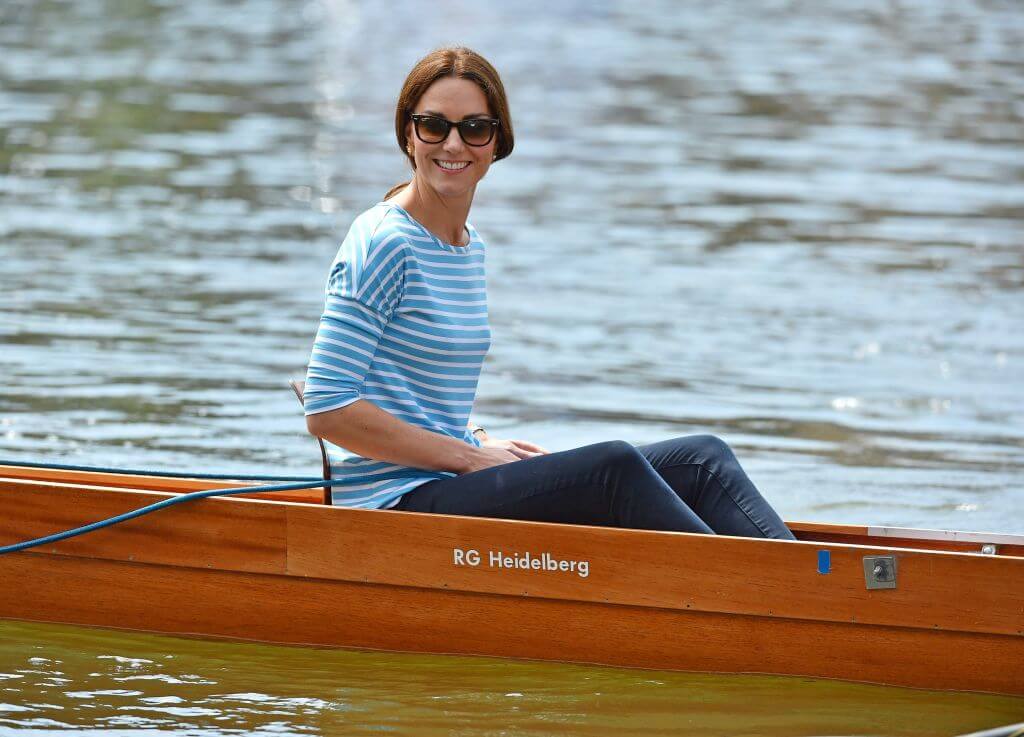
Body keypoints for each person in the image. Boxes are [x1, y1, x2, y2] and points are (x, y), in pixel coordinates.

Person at [304, 46, 795, 540]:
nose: (453, 144)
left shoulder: (467, 246)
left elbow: (416, 393)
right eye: (434, 125)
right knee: (613, 467)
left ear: (497, 141)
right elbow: (327, 406)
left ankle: (806, 577)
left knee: (703, 459)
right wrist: (469, 458)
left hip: (446, 477)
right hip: (392, 506)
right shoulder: (383, 242)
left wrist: (478, 440)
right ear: (408, 134)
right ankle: (743, 584)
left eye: (474, 128)